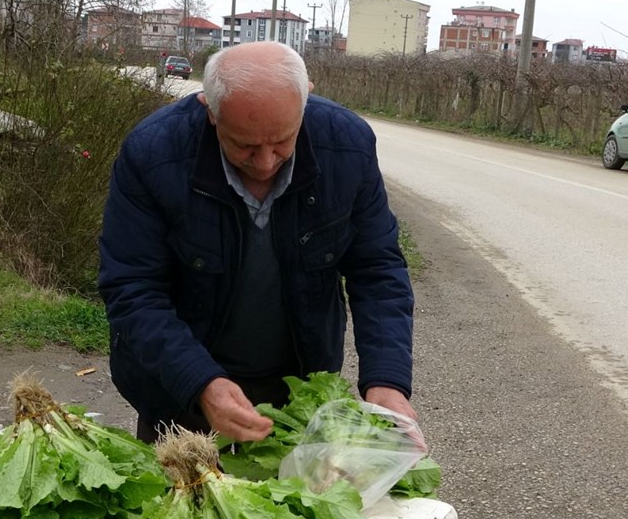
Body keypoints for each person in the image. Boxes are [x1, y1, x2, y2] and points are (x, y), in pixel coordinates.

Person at [98, 41, 415, 444]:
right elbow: (132, 288)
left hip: (299, 389)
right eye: (244, 145)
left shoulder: (347, 146)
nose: (265, 162)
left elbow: (377, 268)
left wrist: (386, 379)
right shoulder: (153, 155)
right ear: (209, 111)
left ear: (306, 101)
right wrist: (201, 382)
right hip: (180, 391)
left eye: (283, 141)